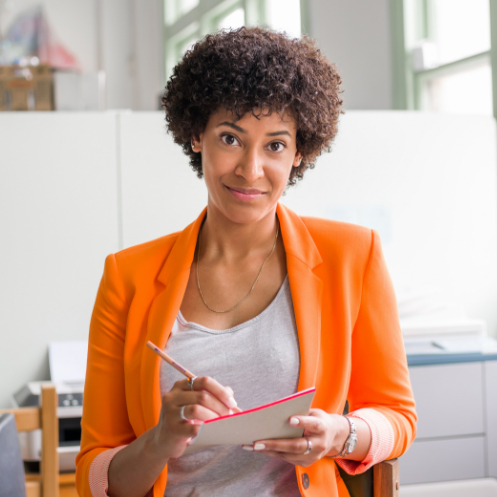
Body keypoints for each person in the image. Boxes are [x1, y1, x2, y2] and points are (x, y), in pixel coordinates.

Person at [76, 27, 417, 497]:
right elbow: (94, 476)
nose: (250, 169)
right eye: (231, 138)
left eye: (275, 145)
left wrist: (341, 434)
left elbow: (398, 417)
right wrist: (161, 440)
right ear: (198, 136)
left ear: (299, 152)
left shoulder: (352, 255)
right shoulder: (127, 276)